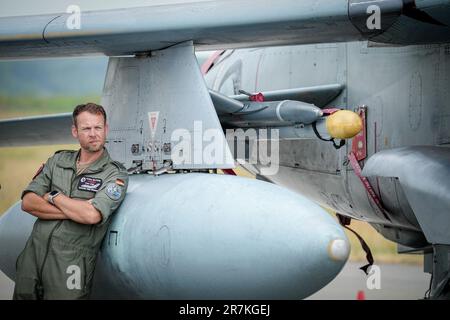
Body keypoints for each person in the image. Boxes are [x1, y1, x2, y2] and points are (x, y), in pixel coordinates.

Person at [13, 103, 128, 300]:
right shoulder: (57, 161)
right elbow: (29, 202)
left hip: (70, 267)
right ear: (75, 131)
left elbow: (92, 215)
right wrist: (75, 210)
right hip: (32, 260)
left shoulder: (114, 174)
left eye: (98, 127)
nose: (93, 134)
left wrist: (53, 197)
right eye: (86, 128)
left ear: (106, 129)